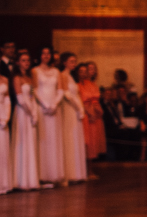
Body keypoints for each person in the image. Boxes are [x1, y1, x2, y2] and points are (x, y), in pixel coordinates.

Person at [32, 47, 64, 186]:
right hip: (42, 107)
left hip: (54, 108)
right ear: (39, 55)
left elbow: (61, 89)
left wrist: (55, 103)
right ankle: (43, 175)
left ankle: (55, 174)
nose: (46, 56)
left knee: (54, 140)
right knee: (43, 140)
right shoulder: (35, 70)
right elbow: (34, 89)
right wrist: (45, 104)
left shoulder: (56, 71)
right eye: (43, 53)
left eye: (48, 53)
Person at [11, 50, 40, 191]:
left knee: (31, 143)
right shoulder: (17, 78)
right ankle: (21, 180)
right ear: (18, 62)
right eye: (23, 60)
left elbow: (32, 96)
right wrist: (30, 112)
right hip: (23, 113)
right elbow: (20, 99)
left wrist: (35, 111)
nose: (26, 63)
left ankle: (31, 179)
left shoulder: (30, 78)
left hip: (31, 111)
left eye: (28, 60)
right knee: (22, 143)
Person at [59, 53, 89, 182]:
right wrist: (78, 108)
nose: (74, 64)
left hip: (75, 109)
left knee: (76, 138)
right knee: (70, 138)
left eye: (75, 61)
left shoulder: (71, 76)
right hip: (69, 109)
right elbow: (67, 94)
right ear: (64, 62)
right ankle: (70, 173)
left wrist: (80, 108)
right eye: (71, 61)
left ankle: (78, 172)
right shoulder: (63, 75)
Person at [79, 62, 105, 160]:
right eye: (89, 69)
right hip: (88, 114)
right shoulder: (81, 85)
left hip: (96, 113)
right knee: (88, 141)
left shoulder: (94, 84)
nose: (92, 71)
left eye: (93, 69)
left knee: (94, 141)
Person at [0, 72, 10, 195]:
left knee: (3, 150)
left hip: (3, 114)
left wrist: (6, 117)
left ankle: (3, 183)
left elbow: (7, 99)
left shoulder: (4, 79)